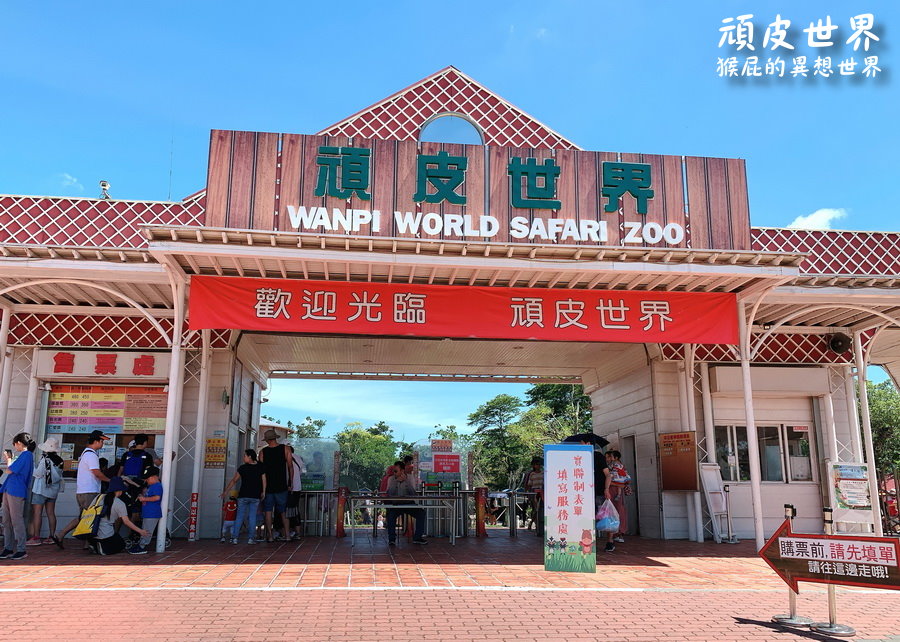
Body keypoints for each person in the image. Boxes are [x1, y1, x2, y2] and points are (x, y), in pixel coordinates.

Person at [55, 430, 111, 547]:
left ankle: (86, 542)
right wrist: (110, 480)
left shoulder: (86, 453)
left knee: (85, 517)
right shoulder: (91, 455)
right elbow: (96, 472)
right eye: (102, 441)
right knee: (89, 517)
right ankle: (62, 534)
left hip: (83, 491)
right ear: (96, 441)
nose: (102, 444)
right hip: (89, 491)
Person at [89, 476, 148, 556]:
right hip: (105, 535)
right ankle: (103, 549)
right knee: (121, 544)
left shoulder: (98, 497)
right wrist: (140, 531)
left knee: (112, 536)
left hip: (92, 533)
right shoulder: (119, 503)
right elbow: (126, 522)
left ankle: (94, 545)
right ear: (120, 490)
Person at [0, 433, 36, 560]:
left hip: (15, 490)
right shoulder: (26, 456)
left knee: (16, 520)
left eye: (15, 444)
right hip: (10, 489)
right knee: (7, 520)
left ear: (19, 443)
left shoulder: (26, 455)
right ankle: (8, 548)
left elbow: (9, 470)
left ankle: (20, 549)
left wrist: (8, 459)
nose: (15, 446)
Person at [221, 448, 265, 544]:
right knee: (252, 517)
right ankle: (251, 539)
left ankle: (235, 538)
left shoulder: (242, 468)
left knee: (239, 516)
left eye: (245, 456)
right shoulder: (260, 467)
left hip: (243, 496)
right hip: (255, 496)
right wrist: (264, 492)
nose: (243, 457)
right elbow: (264, 480)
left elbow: (234, 480)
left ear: (249, 457)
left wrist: (226, 491)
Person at [27, 437, 64, 546]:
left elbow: (38, 473)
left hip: (41, 489)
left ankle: (36, 537)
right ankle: (52, 536)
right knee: (51, 513)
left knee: (37, 513)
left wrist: (32, 466)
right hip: (53, 490)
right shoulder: (60, 460)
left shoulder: (45, 460)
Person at [579, 435, 614, 552]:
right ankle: (588, 543)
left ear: (588, 444)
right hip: (584, 494)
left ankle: (610, 542)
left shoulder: (598, 456)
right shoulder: (579, 458)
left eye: (582, 443)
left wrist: (606, 489)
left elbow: (608, 474)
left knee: (605, 517)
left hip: (599, 492)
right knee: (588, 519)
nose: (580, 445)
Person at [258, 429, 293, 542]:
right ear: (276, 437)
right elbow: (290, 467)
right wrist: (290, 483)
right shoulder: (285, 449)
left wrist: (262, 488)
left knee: (268, 511)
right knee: (283, 512)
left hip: (267, 487)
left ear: (267, 440)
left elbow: (261, 471)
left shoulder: (263, 452)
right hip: (282, 485)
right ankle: (287, 535)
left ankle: (270, 536)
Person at [385, 463, 427, 546]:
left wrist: (406, 482)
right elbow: (389, 493)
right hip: (396, 504)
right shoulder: (391, 479)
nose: (394, 473)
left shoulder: (410, 478)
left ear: (402, 471)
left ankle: (417, 537)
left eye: (396, 471)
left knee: (421, 513)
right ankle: (392, 539)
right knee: (390, 515)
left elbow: (413, 494)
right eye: (394, 471)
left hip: (408, 503)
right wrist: (396, 481)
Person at [129, 466, 162, 554]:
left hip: (152, 513)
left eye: (148, 478)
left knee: (147, 530)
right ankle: (141, 544)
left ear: (153, 477)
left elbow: (157, 497)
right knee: (146, 529)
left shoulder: (157, 486)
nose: (146, 481)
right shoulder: (151, 486)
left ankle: (142, 546)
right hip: (148, 512)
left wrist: (144, 499)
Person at [605, 450, 630, 544]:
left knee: (616, 511)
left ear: (615, 457)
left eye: (609, 457)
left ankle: (618, 533)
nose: (608, 459)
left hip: (614, 489)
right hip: (617, 489)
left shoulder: (614, 465)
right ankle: (618, 533)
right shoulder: (621, 465)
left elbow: (611, 477)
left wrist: (607, 486)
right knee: (618, 510)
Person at [286, 445, 306, 540]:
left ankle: (288, 532)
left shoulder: (287, 458)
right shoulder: (298, 458)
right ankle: (297, 532)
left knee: (285, 511)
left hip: (289, 488)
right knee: (295, 510)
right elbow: (302, 472)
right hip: (297, 487)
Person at [523, 456, 544, 531]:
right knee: (536, 508)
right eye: (536, 464)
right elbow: (528, 484)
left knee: (540, 508)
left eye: (539, 464)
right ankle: (535, 524)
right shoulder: (531, 474)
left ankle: (533, 523)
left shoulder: (543, 473)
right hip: (534, 492)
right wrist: (527, 494)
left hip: (542, 491)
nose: (538, 466)